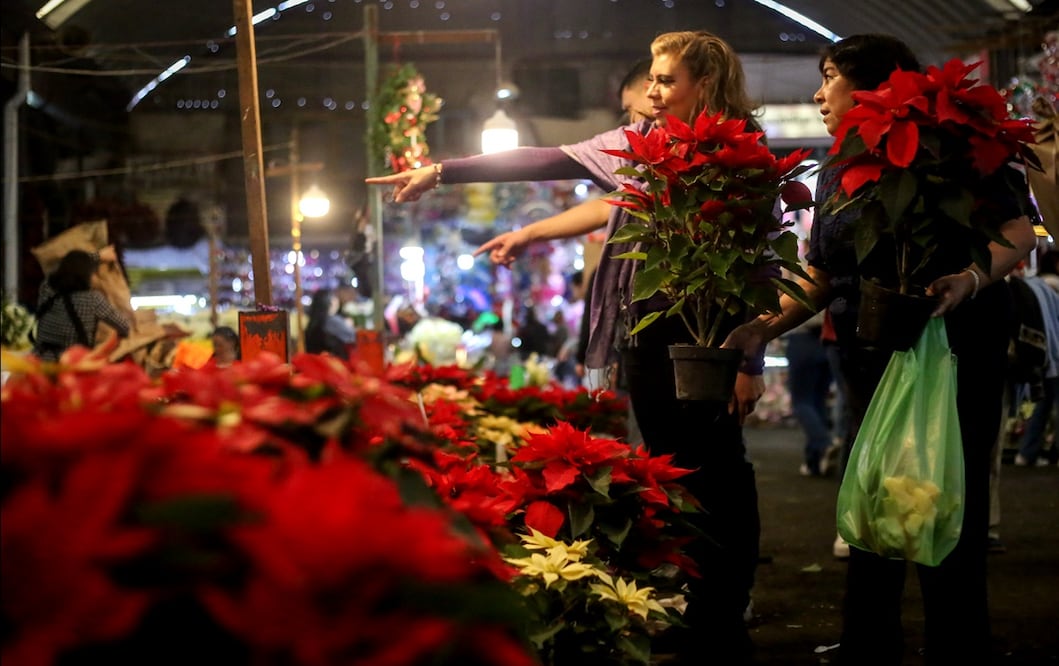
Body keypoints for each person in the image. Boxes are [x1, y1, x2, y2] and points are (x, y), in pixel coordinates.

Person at [369, 32, 765, 664]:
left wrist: (749, 356)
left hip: (709, 336)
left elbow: (757, 266)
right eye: (654, 79)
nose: (653, 92)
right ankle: (695, 609)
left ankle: (725, 612)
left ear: (706, 87)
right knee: (672, 469)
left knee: (719, 471)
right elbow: (543, 159)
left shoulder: (741, 155)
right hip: (646, 331)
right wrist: (444, 171)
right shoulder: (640, 148)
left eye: (665, 80)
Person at [722, 34, 1039, 665]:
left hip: (953, 348)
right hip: (868, 350)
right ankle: (870, 640)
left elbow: (1017, 232)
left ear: (877, 87)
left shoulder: (956, 146)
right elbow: (822, 275)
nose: (818, 93)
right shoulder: (840, 164)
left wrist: (969, 279)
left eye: (830, 75)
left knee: (949, 488)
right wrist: (762, 328)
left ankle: (958, 641)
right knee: (870, 490)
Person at [32, 246, 131, 361]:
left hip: (40, 361)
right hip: (74, 366)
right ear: (87, 274)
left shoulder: (47, 288)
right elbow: (124, 326)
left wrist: (98, 256)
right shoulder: (93, 300)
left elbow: (62, 265)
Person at [783, 309, 835, 476]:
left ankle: (824, 444)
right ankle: (814, 462)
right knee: (817, 401)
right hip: (828, 340)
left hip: (802, 339)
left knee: (801, 402)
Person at [304, 288, 358, 358]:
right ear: (330, 302)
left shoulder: (313, 323)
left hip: (316, 363)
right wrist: (348, 326)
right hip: (335, 363)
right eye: (335, 298)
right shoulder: (332, 321)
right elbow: (353, 337)